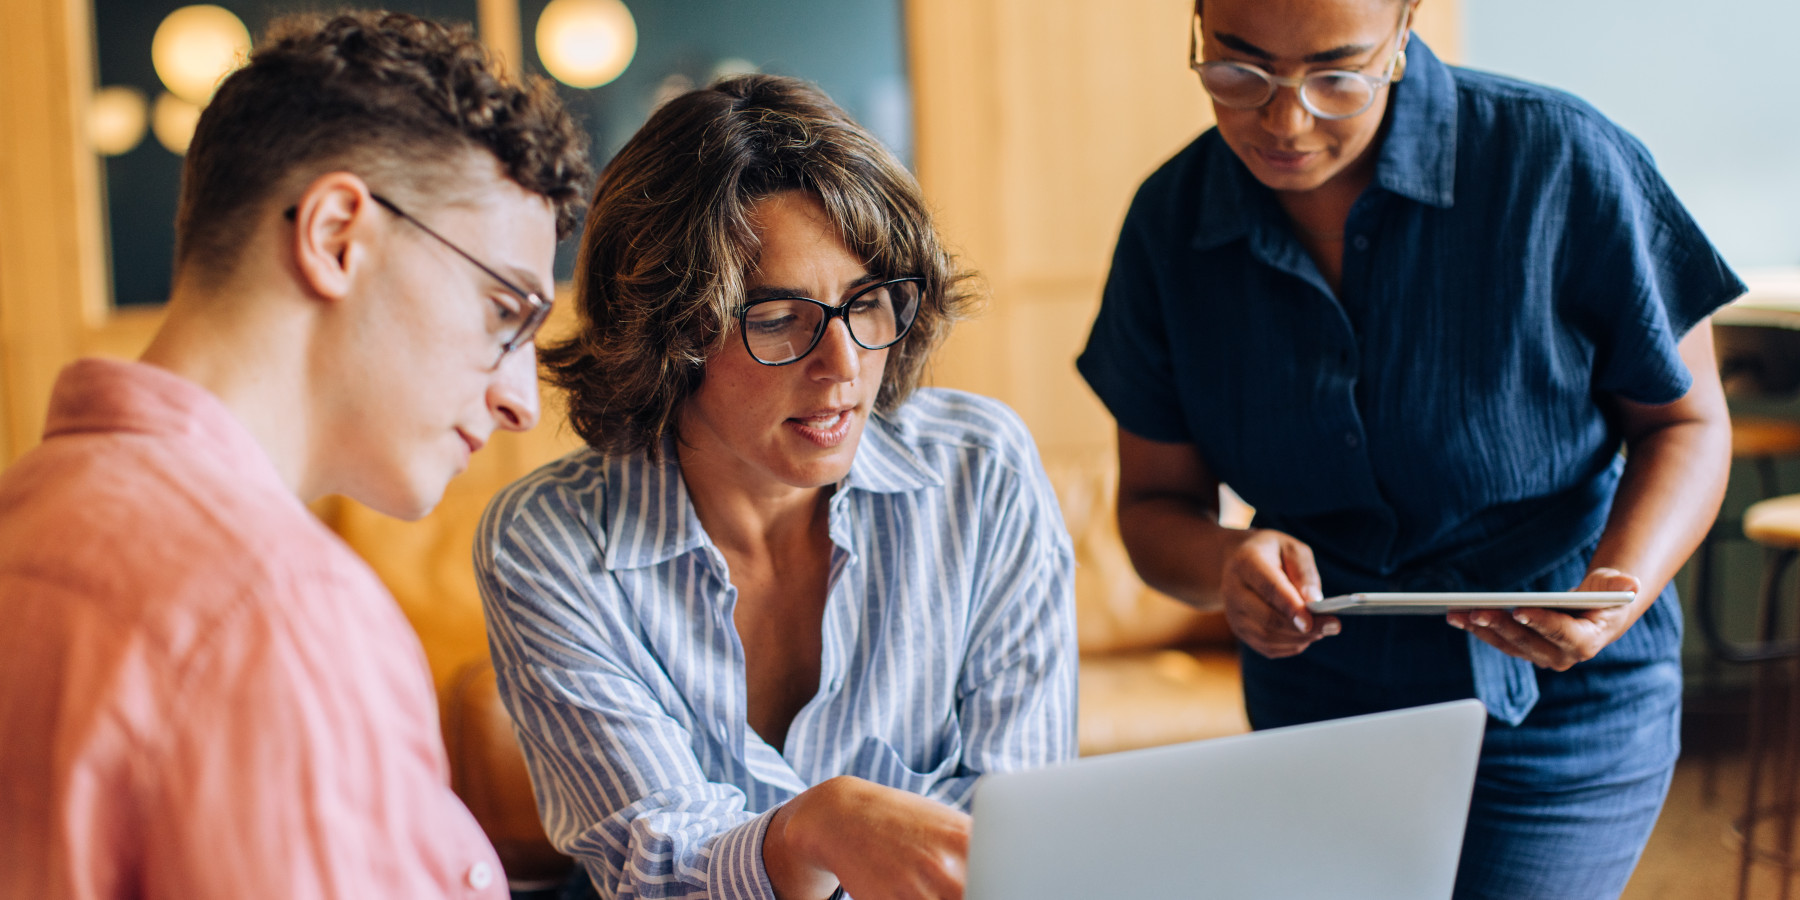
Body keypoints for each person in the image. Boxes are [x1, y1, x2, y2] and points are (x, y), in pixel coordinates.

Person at [1076, 1, 1739, 898]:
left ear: (1404, 27)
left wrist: (1615, 593)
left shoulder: (1559, 159)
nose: (1285, 121)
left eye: (1337, 76)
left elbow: (1686, 426)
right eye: (1237, 71)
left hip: (1562, 697)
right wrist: (1226, 563)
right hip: (1323, 709)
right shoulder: (1169, 224)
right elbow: (1155, 510)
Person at [0, 11, 590, 897]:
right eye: (503, 313)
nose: (518, 399)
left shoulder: (28, 512)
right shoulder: (279, 608)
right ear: (336, 236)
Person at [475, 74, 1077, 900]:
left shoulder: (983, 473)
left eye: (868, 303)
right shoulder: (548, 541)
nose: (845, 368)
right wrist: (810, 832)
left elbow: (1021, 830)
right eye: (778, 318)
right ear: (668, 334)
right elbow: (655, 872)